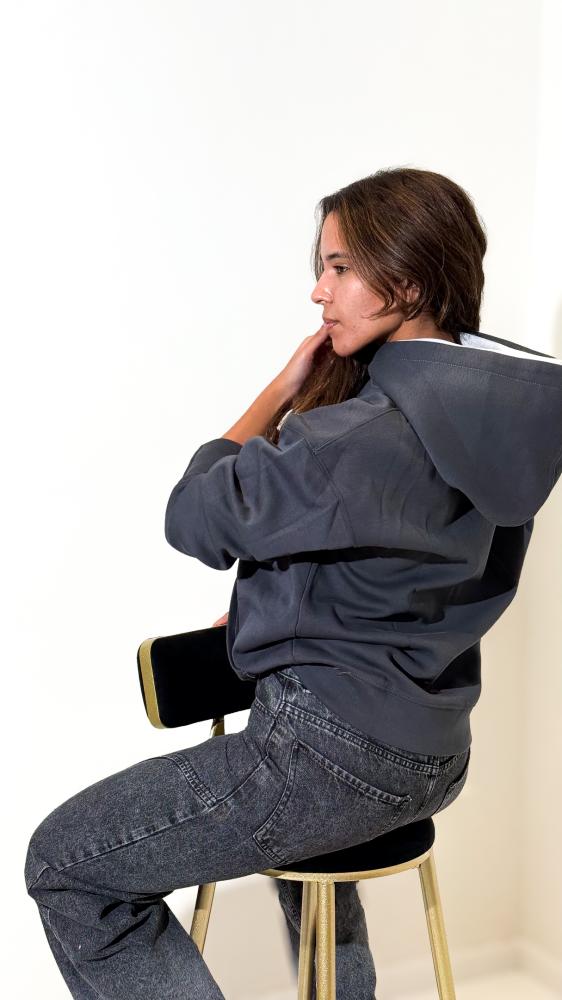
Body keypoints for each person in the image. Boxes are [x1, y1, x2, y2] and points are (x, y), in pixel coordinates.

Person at [24, 167, 562, 999]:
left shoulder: (355, 437)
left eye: (340, 267)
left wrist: (278, 392)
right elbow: (399, 574)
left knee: (63, 862)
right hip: (435, 753)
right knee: (308, 852)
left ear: (408, 281)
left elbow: (193, 515)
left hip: (327, 758)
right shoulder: (498, 424)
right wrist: (271, 610)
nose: (319, 291)